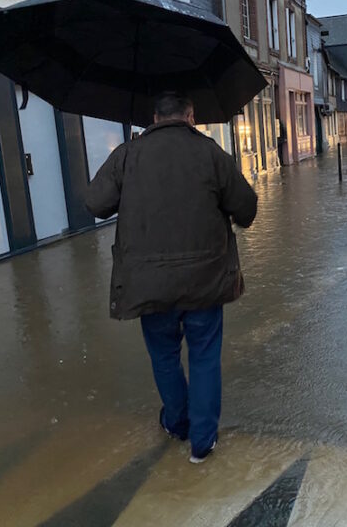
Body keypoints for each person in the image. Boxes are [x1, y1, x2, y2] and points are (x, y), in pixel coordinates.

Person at [85, 92, 258, 464]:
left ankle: (177, 424)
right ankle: (202, 442)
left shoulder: (129, 154)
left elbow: (95, 203)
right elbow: (247, 208)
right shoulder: (210, 153)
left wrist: (124, 163)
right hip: (205, 282)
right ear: (190, 115)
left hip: (148, 285)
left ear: (154, 117)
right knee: (204, 357)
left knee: (164, 357)